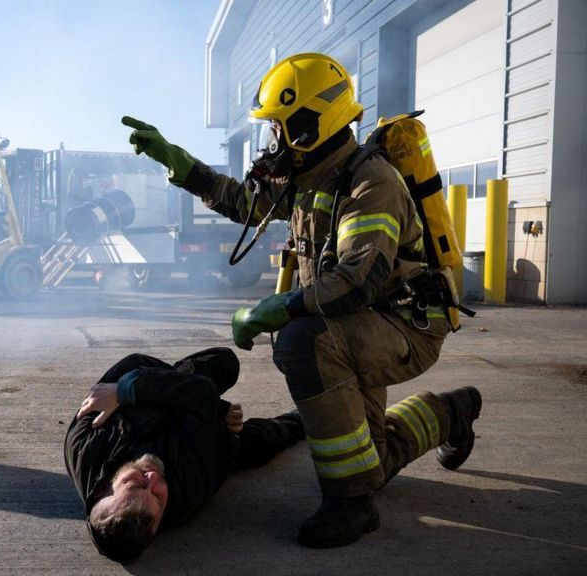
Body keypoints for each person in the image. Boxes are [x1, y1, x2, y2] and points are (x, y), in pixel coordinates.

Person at [121, 52, 482, 548]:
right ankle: (452, 413)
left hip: (402, 327)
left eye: (277, 130)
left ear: (308, 127)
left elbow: (360, 280)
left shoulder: (370, 183)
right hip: (357, 326)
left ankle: (350, 503)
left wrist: (275, 309)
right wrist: (179, 163)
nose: (271, 143)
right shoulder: (312, 179)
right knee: (370, 459)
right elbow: (245, 204)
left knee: (301, 340)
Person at [65, 347, 304, 562]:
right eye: (158, 497)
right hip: (215, 447)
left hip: (171, 410)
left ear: (104, 487)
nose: (152, 478)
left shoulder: (83, 445)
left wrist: (126, 390)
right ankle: (304, 420)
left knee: (224, 362)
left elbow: (133, 362)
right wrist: (215, 414)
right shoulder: (188, 491)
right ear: (158, 525)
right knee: (266, 440)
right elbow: (201, 393)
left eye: (136, 484)